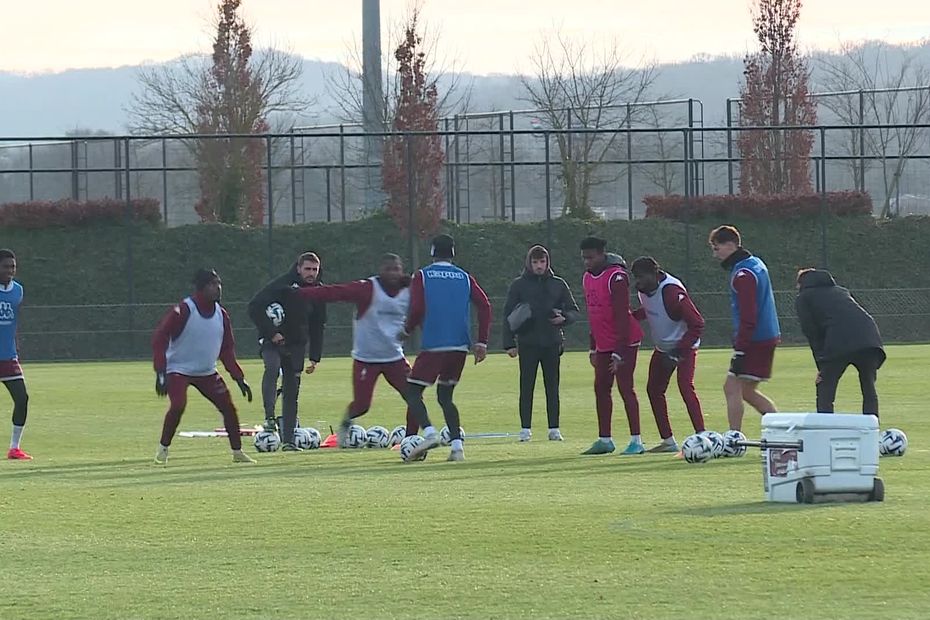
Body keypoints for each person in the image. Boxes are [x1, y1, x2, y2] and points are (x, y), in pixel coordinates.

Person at [297, 253, 418, 444]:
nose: (393, 273)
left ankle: (412, 441)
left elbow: (424, 307)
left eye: (397, 268)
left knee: (415, 398)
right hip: (366, 359)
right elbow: (335, 292)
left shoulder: (409, 289)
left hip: (394, 357)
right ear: (381, 271)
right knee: (362, 406)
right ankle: (347, 420)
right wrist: (299, 293)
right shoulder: (368, 288)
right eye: (389, 269)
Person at [400, 234, 492, 462]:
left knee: (412, 392)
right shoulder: (464, 277)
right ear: (452, 253)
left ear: (432, 252)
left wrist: (407, 330)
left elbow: (418, 308)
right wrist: (481, 341)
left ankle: (429, 433)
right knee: (445, 396)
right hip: (460, 346)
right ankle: (457, 448)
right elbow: (485, 306)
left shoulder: (422, 276)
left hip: (434, 344)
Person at [152, 269, 255, 464]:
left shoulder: (221, 315)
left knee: (228, 408)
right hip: (178, 370)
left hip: (207, 372)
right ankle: (163, 449)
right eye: (212, 284)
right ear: (201, 288)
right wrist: (161, 372)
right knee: (178, 405)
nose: (218, 288)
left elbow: (227, 350)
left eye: (219, 284)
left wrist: (239, 378)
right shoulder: (184, 309)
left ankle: (238, 453)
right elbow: (160, 337)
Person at [248, 252, 326, 451]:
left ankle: (289, 441)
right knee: (272, 369)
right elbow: (255, 306)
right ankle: (269, 418)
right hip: (273, 341)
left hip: (296, 346)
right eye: (307, 269)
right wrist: (272, 332)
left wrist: (315, 357)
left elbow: (318, 325)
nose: (311, 273)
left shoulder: (318, 292)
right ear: (298, 268)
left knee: (292, 391)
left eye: (314, 270)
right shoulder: (282, 285)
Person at [502, 244, 580, 442]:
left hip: (552, 342)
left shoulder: (558, 284)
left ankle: (554, 428)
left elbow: (573, 310)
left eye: (542, 262)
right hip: (527, 342)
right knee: (526, 386)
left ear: (547, 263)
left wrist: (564, 318)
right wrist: (508, 343)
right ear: (529, 263)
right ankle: (525, 429)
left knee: (552, 387)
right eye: (535, 262)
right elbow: (507, 314)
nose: (539, 266)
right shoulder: (518, 285)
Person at [630, 256, 706, 453]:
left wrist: (680, 350)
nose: (637, 282)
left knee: (685, 387)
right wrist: (632, 316)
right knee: (653, 390)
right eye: (635, 278)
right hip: (663, 348)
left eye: (641, 277)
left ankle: (703, 438)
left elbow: (697, 323)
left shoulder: (672, 291)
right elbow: (652, 310)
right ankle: (668, 441)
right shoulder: (645, 290)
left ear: (654, 274)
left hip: (684, 347)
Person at [709, 225, 780, 431]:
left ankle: (735, 439)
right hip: (766, 336)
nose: (715, 254)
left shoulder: (743, 274)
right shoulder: (755, 263)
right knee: (746, 391)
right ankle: (782, 430)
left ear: (730, 245)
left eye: (717, 248)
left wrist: (740, 349)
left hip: (755, 339)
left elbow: (749, 315)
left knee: (731, 388)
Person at [580, 237, 644, 455]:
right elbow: (593, 315)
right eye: (584, 258)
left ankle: (637, 440)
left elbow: (621, 316)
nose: (587, 262)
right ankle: (605, 439)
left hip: (624, 341)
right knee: (601, 387)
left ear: (601, 254)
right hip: (604, 343)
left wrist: (620, 351)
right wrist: (593, 346)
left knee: (625, 387)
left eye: (591, 257)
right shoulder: (587, 278)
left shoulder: (616, 277)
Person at [795, 268, 886, 417]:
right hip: (869, 337)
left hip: (840, 340)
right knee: (868, 387)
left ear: (802, 283)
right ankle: (871, 428)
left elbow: (811, 332)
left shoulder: (804, 297)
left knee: (825, 387)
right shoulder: (840, 291)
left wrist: (821, 366)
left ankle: (826, 426)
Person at [0, 249, 31, 460]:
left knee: (22, 398)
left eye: (13, 267)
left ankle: (14, 448)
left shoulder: (18, 291)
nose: (10, 270)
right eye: (6, 267)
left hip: (8, 357)